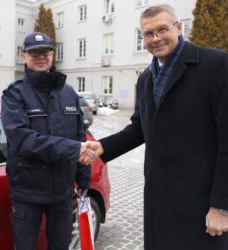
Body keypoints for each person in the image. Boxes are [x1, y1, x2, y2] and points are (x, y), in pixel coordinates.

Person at [84, 4, 228, 250]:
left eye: (163, 29)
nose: (156, 38)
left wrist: (222, 206)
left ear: (179, 27)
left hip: (202, 204)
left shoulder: (214, 64)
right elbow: (141, 127)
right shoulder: (147, 77)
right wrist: (102, 147)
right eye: (148, 34)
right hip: (159, 199)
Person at [1, 32, 94, 250]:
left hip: (62, 191)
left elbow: (79, 134)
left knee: (61, 246)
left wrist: (84, 181)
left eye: (46, 52)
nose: (41, 56)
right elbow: (22, 140)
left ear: (52, 55)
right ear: (24, 56)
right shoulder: (14, 95)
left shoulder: (68, 92)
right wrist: (74, 148)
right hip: (28, 192)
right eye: (34, 52)